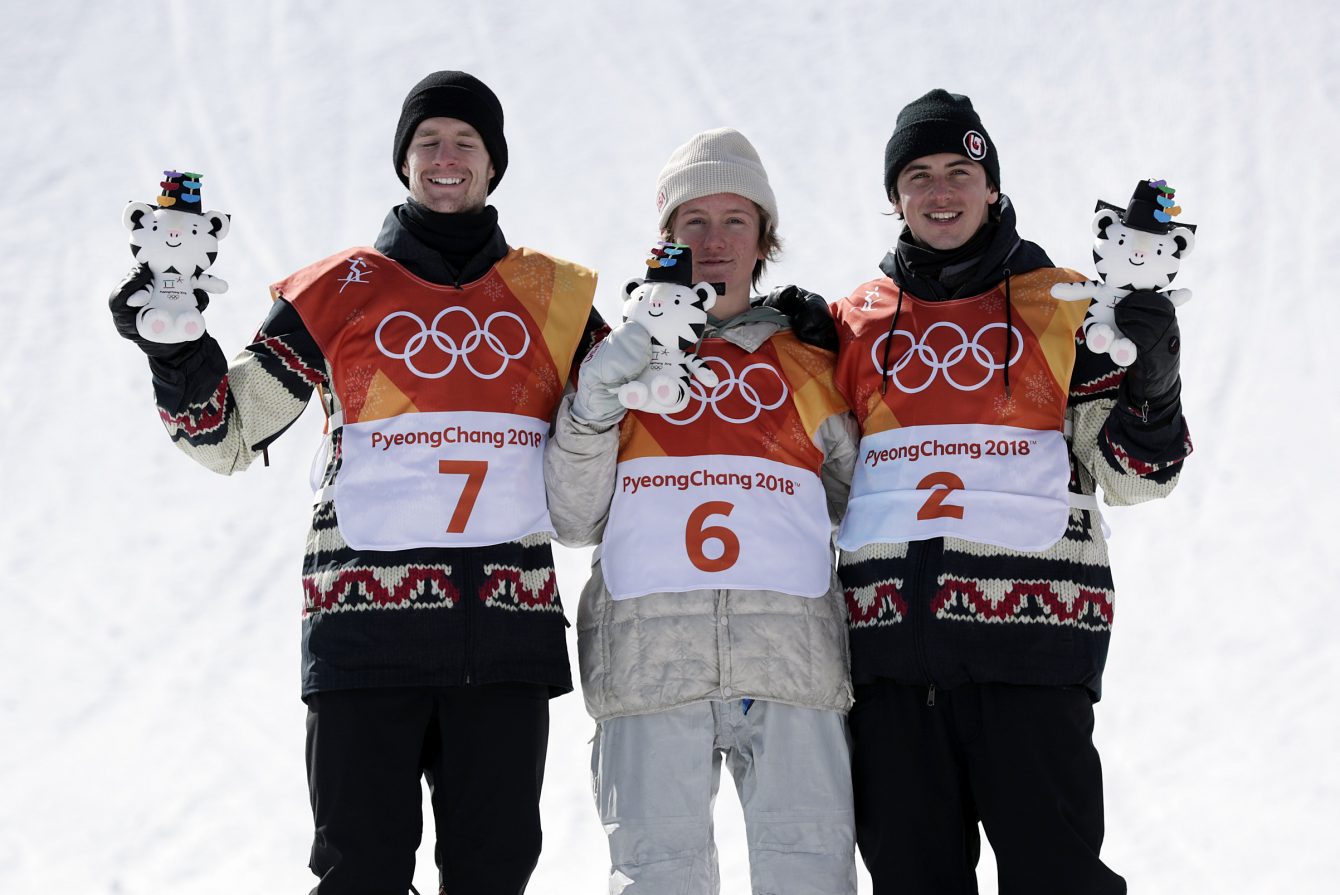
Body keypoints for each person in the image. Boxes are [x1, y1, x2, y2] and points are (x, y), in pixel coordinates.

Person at [109, 71, 605, 895]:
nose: (445, 158)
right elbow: (226, 434)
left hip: (505, 643)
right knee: (361, 873)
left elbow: (653, 413)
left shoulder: (557, 298)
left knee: (496, 871)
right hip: (366, 639)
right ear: (403, 162)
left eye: (465, 143)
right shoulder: (336, 291)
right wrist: (175, 346)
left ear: (495, 164)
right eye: (427, 143)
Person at [777, 89, 1192, 894]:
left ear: (992, 184)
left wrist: (1155, 379)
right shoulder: (855, 319)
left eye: (960, 171)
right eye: (918, 175)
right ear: (894, 197)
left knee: (1056, 877)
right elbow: (818, 471)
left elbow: (1137, 477)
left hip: (1032, 657)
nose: (940, 192)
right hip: (892, 669)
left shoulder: (1070, 303)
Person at [544, 128, 860, 895]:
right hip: (650, 671)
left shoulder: (809, 360)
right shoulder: (615, 359)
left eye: (735, 222)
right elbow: (571, 516)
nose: (714, 242)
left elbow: (868, 508)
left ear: (764, 241)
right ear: (666, 240)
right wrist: (590, 407)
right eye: (694, 223)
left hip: (791, 671)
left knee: (811, 882)